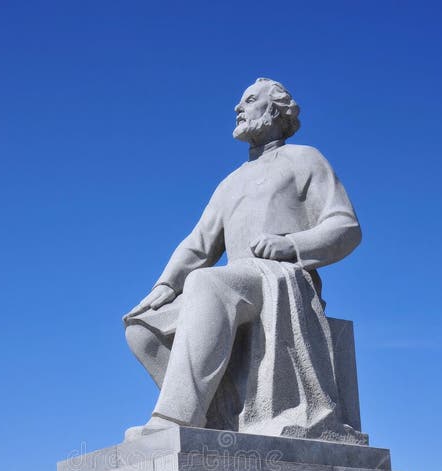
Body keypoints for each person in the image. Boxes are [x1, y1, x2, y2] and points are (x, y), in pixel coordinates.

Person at [123, 78, 362, 440]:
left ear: (275, 110)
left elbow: (345, 227)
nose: (238, 109)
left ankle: (175, 419)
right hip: (233, 282)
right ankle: (216, 417)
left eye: (249, 101)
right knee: (142, 327)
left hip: (279, 280)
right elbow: (198, 244)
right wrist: (165, 285)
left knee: (205, 282)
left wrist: (292, 246)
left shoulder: (306, 159)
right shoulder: (229, 183)